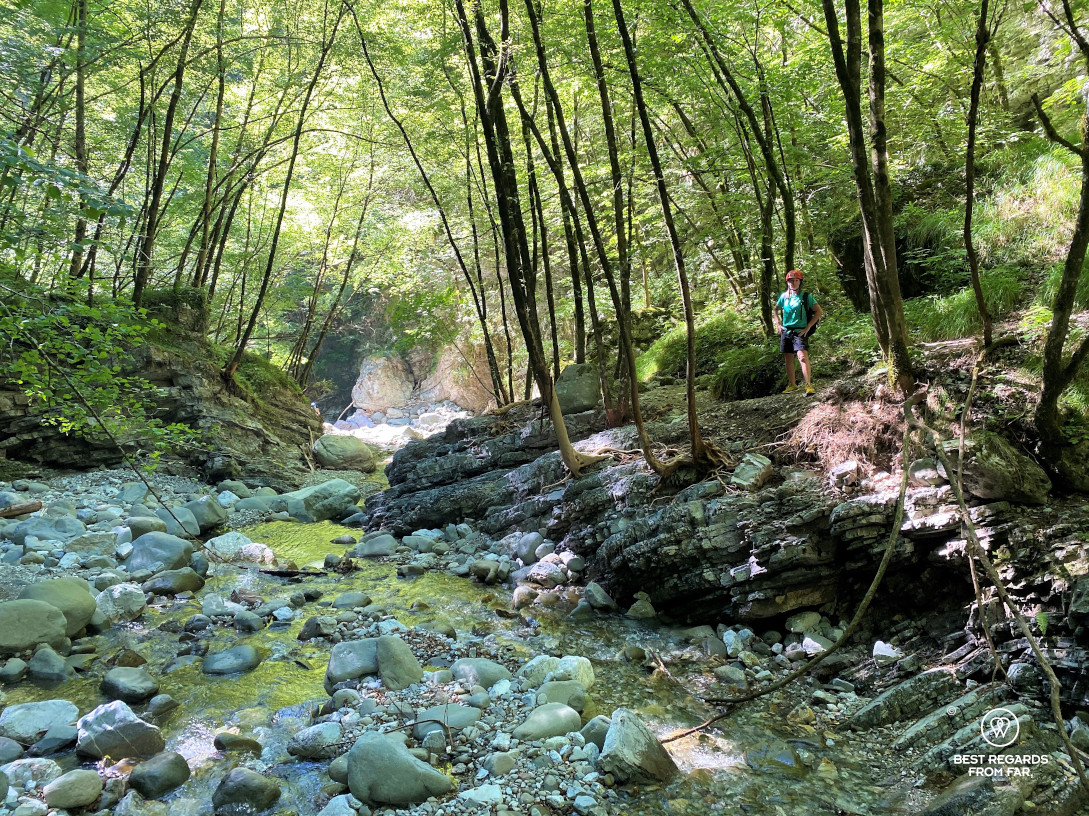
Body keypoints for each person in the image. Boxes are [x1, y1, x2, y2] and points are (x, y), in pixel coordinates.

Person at [773, 269, 823, 395]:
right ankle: (792, 384)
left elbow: (819, 312)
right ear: (787, 282)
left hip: (800, 332)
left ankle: (808, 385)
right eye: (791, 281)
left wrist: (808, 327)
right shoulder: (784, 297)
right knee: (788, 358)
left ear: (800, 282)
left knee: (802, 357)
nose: (794, 283)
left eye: (796, 280)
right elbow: (775, 309)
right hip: (786, 331)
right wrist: (778, 323)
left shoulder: (806, 297)